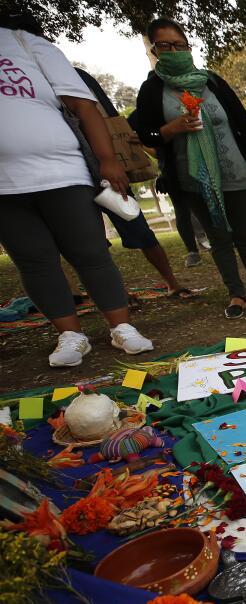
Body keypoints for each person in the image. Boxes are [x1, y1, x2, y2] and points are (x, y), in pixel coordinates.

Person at [0, 16, 155, 366]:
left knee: (90, 252)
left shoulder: (26, 43)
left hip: (62, 171)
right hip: (4, 187)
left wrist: (107, 160)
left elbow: (84, 106)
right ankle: (70, 335)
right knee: (33, 259)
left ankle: (122, 327)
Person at [134, 18, 246, 320]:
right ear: (154, 49)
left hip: (235, 172)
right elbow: (143, 134)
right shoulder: (151, 90)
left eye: (179, 44)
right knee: (219, 239)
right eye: (165, 45)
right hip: (194, 180)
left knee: (245, 235)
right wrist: (170, 129)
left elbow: (243, 125)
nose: (174, 50)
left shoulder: (211, 82)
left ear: (188, 47)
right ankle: (235, 294)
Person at [74, 67, 198, 301]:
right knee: (90, 242)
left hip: (109, 174)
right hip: (72, 177)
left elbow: (111, 119)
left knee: (139, 228)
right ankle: (114, 296)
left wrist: (121, 147)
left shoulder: (78, 77)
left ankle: (172, 283)